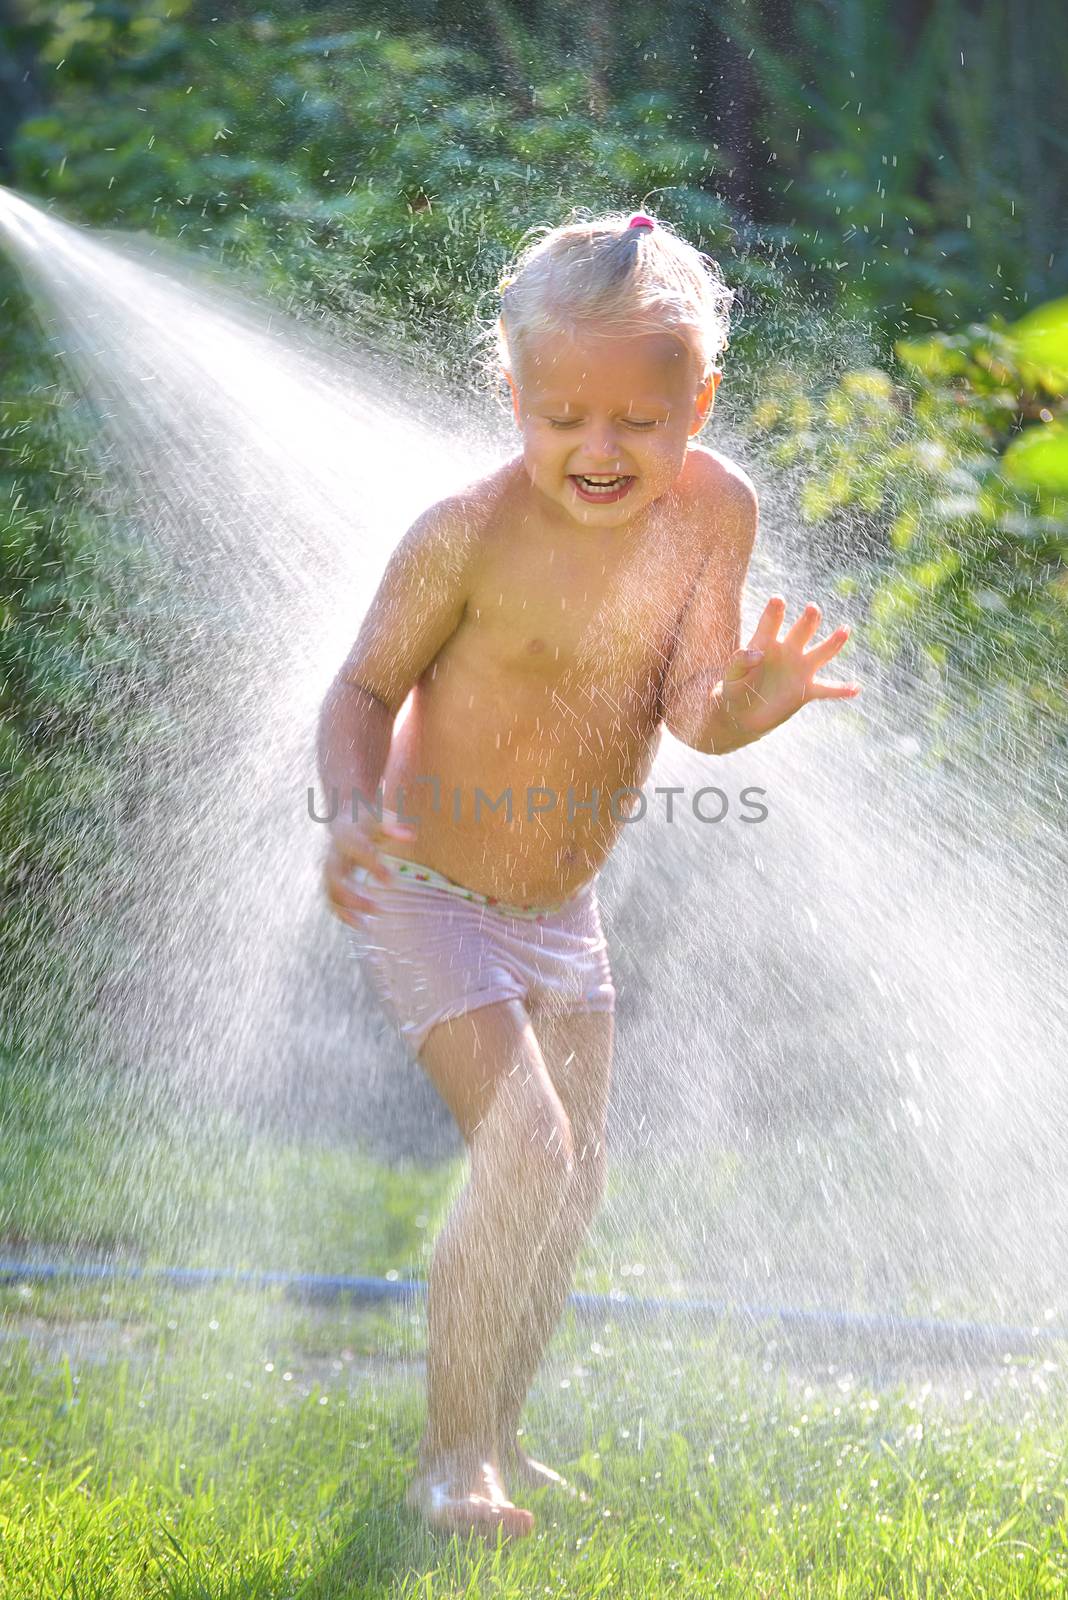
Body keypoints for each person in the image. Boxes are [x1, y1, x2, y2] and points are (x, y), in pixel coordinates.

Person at [317, 210, 860, 1540]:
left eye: (641, 421)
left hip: (564, 915)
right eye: (562, 416)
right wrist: (345, 813)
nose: (600, 451)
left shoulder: (715, 511)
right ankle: (448, 1462)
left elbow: (691, 712)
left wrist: (758, 702)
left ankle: (498, 1436)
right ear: (511, 393)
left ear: (700, 401)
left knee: (574, 1182)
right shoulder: (465, 534)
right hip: (428, 890)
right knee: (526, 1148)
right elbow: (362, 686)